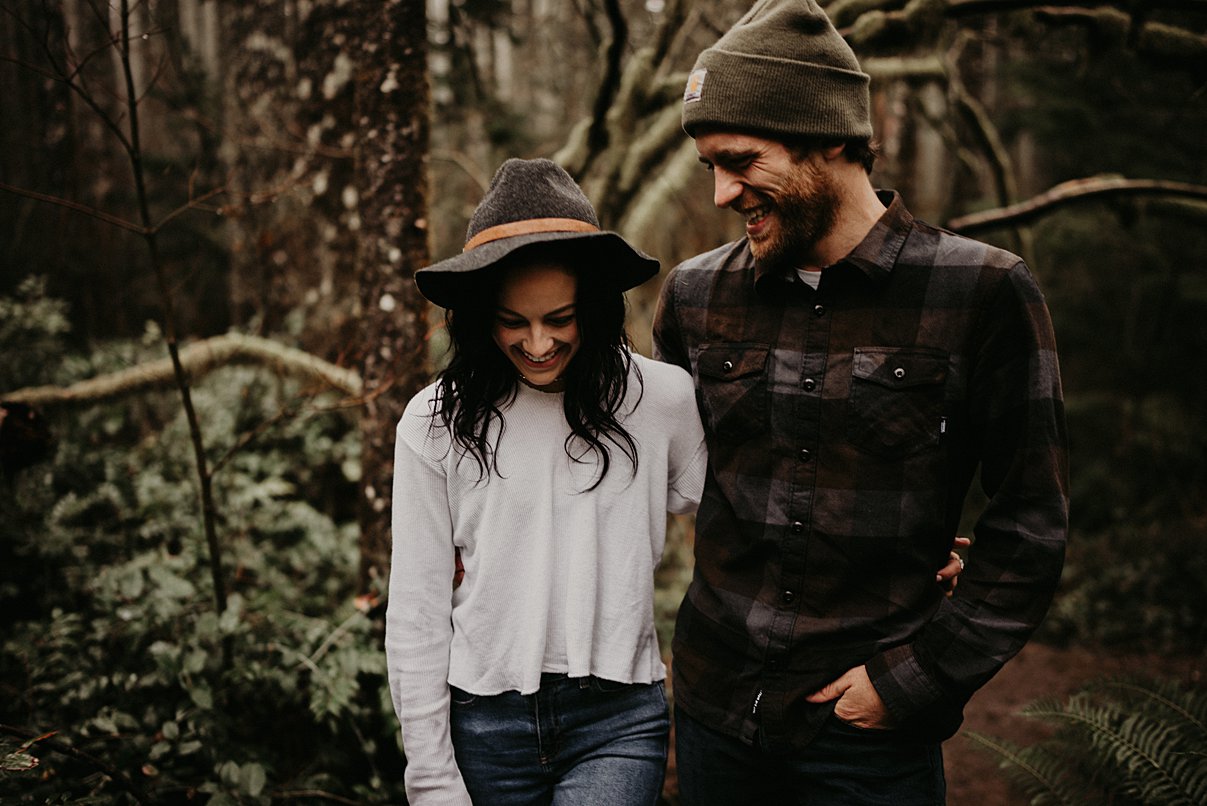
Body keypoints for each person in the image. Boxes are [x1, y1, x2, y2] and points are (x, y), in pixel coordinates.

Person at [653, 1, 1069, 804]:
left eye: (738, 160)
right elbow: (634, 470)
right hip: (713, 712)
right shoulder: (695, 295)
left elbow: (1029, 524)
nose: (718, 193)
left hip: (866, 739)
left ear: (832, 138)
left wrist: (913, 680)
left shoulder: (983, 291)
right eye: (708, 164)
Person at [384, 157, 708, 806]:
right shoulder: (434, 423)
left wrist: (889, 565)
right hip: (483, 725)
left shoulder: (661, 399)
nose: (537, 343)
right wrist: (429, 774)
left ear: (593, 305)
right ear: (480, 317)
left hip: (615, 721)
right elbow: (417, 610)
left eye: (559, 318)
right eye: (513, 321)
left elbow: (749, 513)